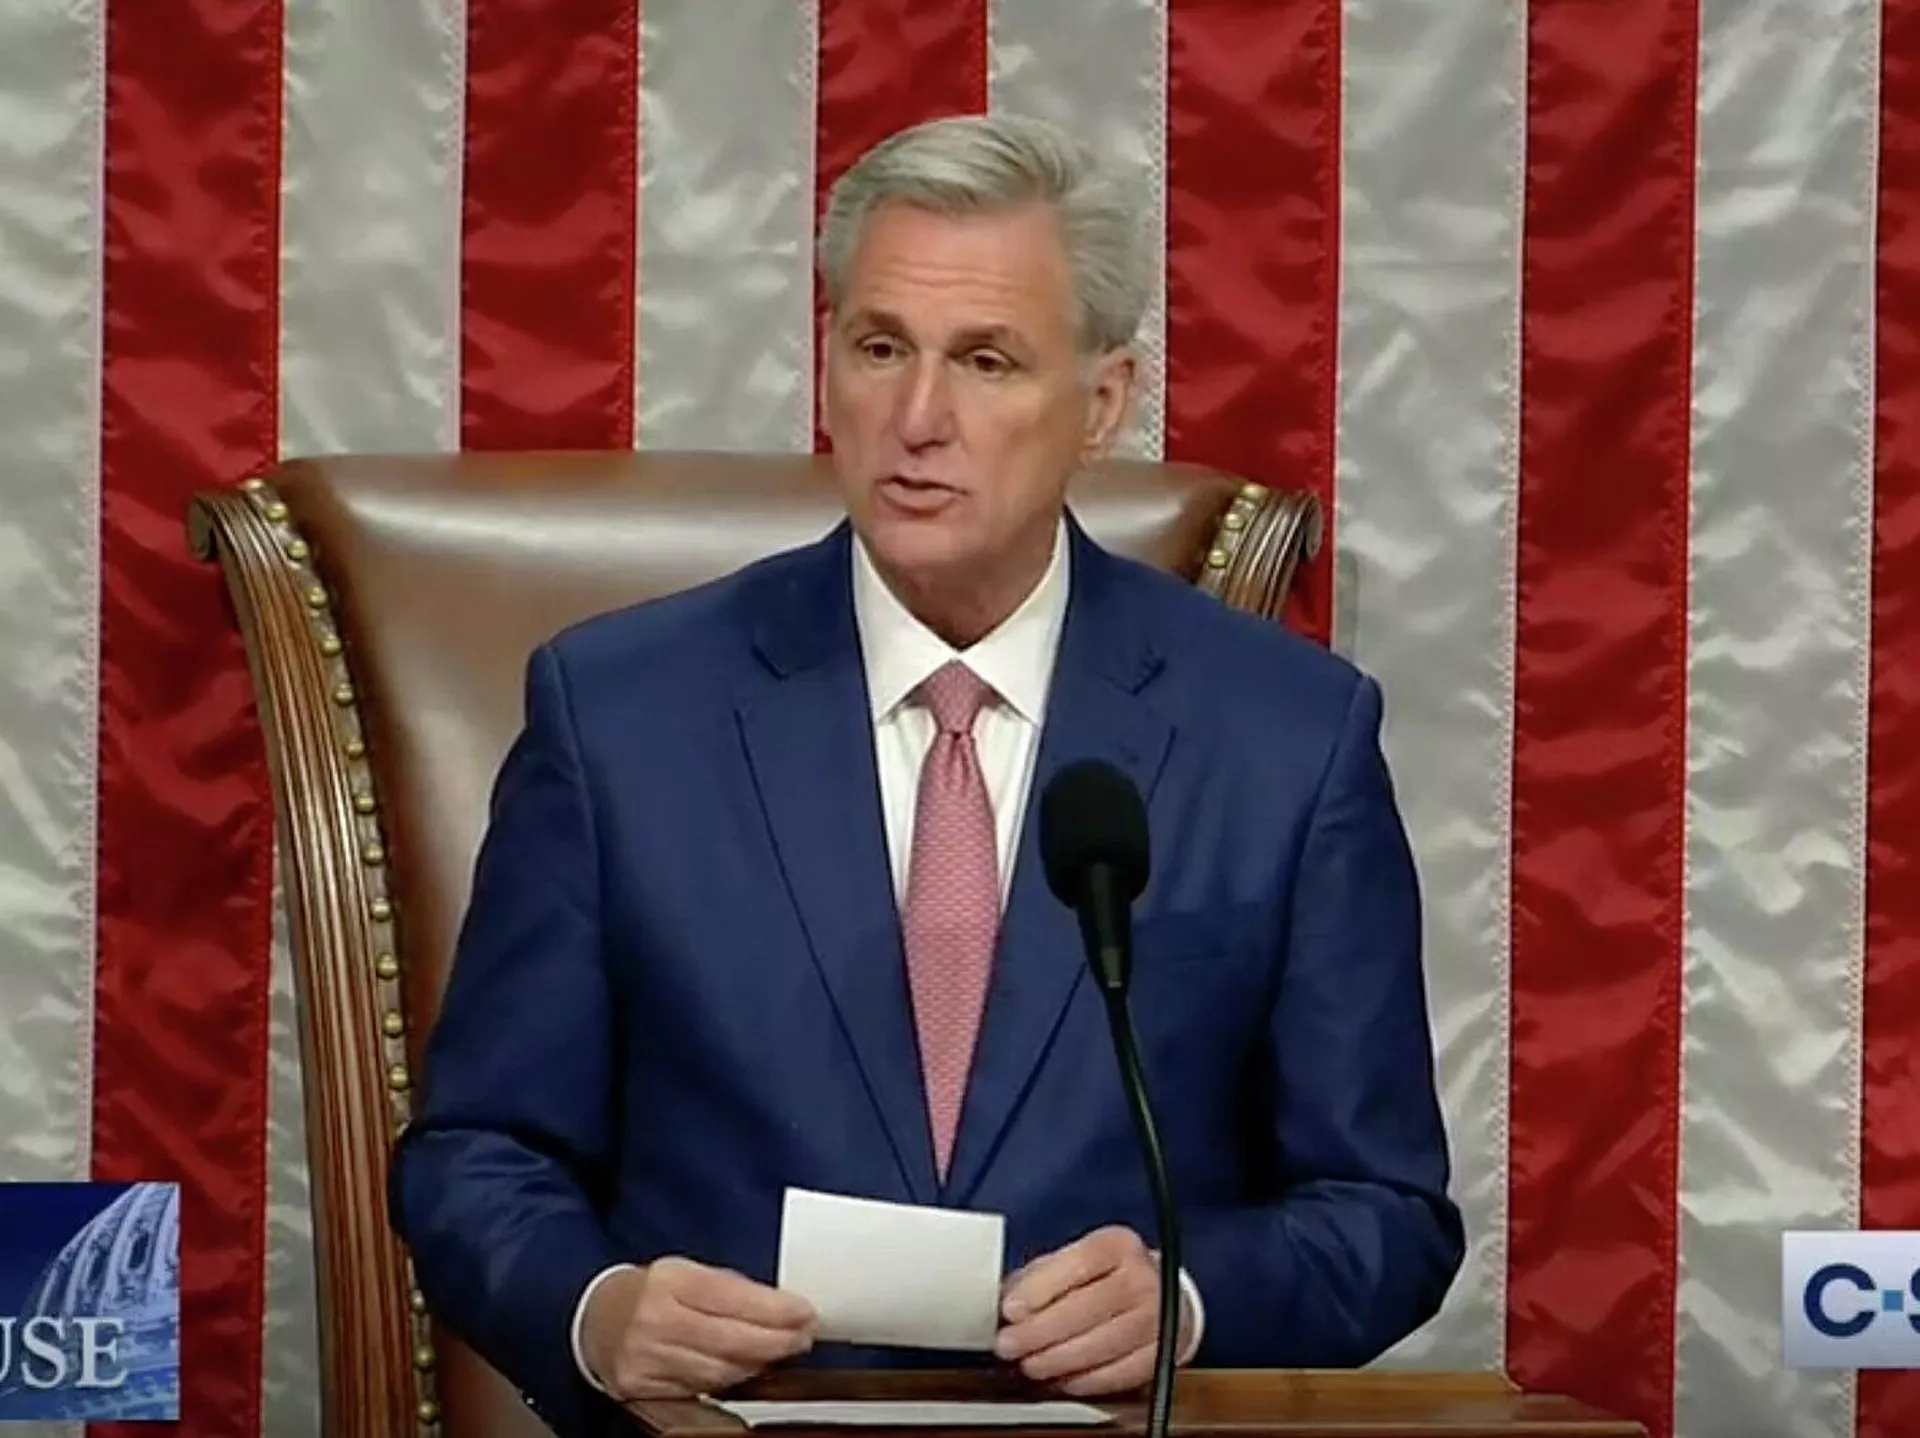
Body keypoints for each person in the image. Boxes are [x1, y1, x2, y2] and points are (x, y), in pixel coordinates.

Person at [388, 112, 1464, 1437]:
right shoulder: (619, 713)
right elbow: (478, 1154)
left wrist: (1188, 1301)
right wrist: (597, 1307)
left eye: (986, 361)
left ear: (1104, 403)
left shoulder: (1285, 736)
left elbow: (1384, 1212)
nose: (917, 419)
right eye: (881, 347)